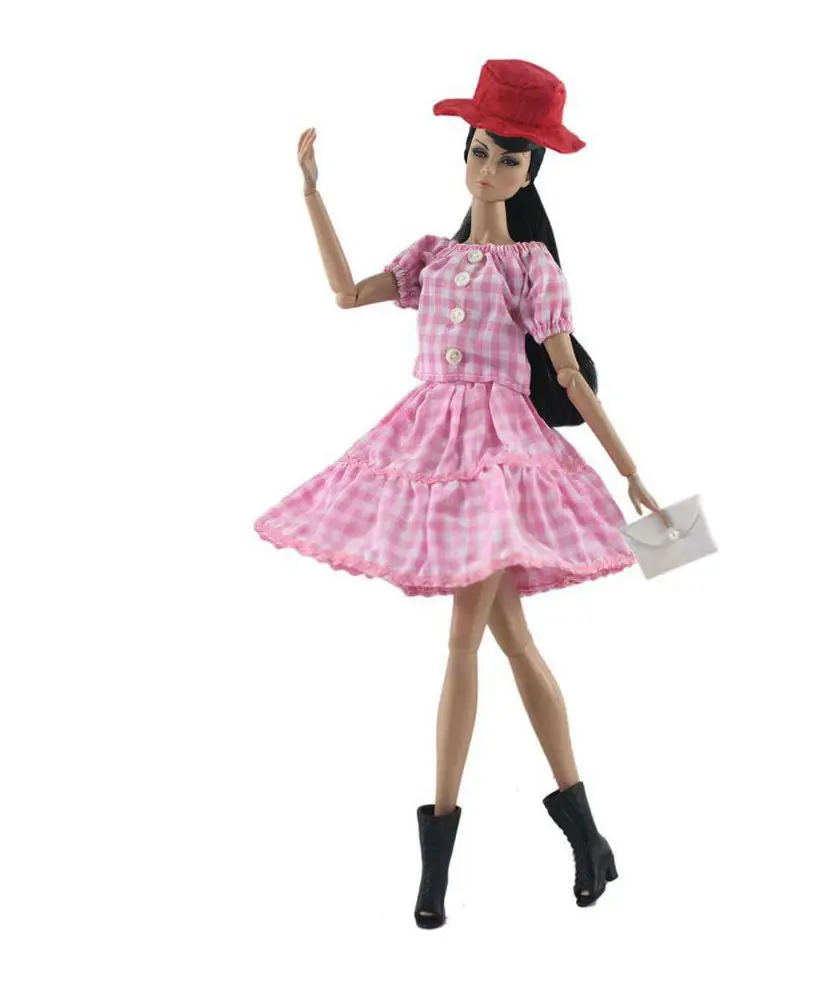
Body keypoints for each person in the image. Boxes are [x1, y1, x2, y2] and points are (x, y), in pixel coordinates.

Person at [254, 58, 670, 929]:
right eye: (480, 152)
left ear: (530, 172)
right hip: (430, 444)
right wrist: (311, 194)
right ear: (466, 151)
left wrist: (631, 469)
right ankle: (588, 838)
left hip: (498, 454)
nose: (488, 170)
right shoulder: (433, 256)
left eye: (508, 160)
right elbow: (346, 293)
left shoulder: (530, 265)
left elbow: (567, 373)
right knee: (511, 642)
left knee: (464, 639)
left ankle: (438, 864)